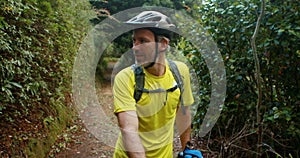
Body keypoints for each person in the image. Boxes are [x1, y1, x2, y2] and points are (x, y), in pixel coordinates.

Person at [113, 11, 195, 158]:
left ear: (163, 44)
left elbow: (183, 112)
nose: (135, 47)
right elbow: (128, 129)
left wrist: (187, 147)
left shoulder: (180, 72)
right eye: (134, 41)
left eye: (143, 41)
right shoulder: (125, 78)